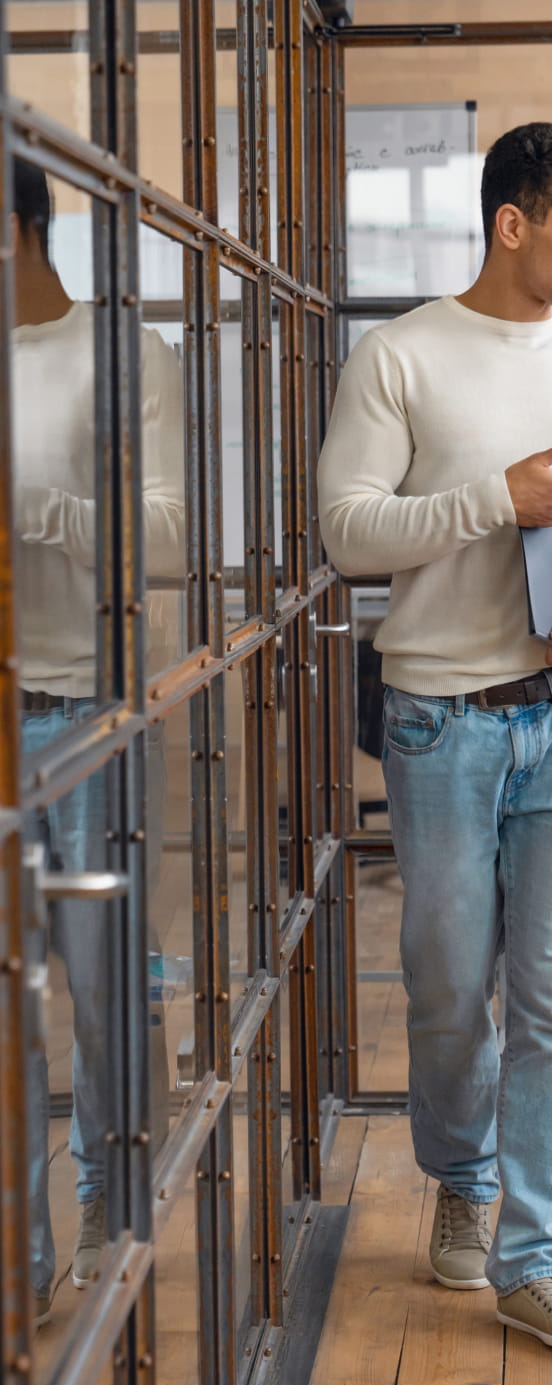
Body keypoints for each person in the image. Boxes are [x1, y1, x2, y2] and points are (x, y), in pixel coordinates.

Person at [318, 122, 552, 1352]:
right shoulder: (401, 356)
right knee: (450, 994)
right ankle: (461, 1185)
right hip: (439, 726)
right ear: (513, 223)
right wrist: (494, 501)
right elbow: (348, 535)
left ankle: (533, 1256)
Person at [12, 156, 185, 1325]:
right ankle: (20, 1264)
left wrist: (38, 514)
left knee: (106, 998)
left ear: (21, 229)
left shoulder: (124, 357)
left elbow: (170, 532)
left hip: (89, 715)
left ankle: (111, 1231)